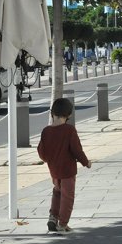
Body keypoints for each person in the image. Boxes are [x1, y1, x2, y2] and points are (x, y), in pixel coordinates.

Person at [37, 97, 91, 232]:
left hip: (54, 169)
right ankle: (63, 224)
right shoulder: (69, 130)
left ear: (52, 113)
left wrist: (49, 160)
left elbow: (41, 152)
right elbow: (77, 150)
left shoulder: (46, 131)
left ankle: (52, 217)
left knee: (57, 192)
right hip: (68, 170)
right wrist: (86, 162)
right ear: (69, 115)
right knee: (68, 196)